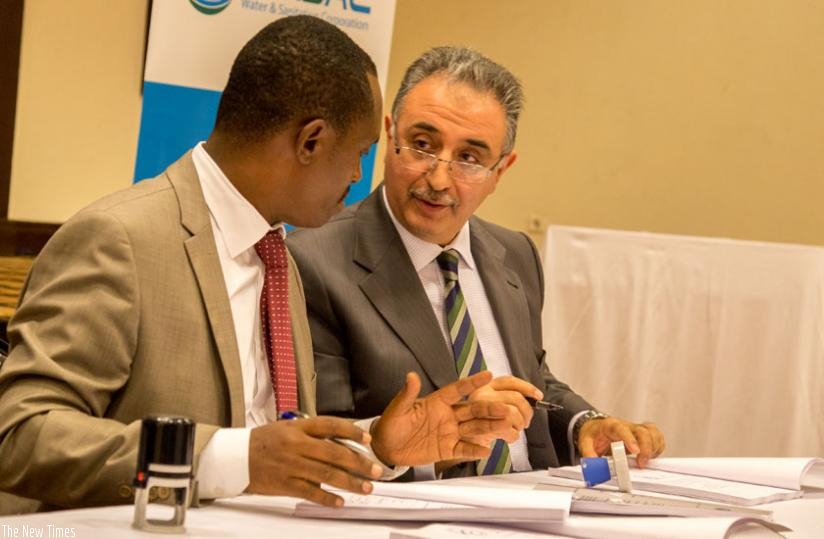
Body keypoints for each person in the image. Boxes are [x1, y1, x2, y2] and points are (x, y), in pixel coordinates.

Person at [0, 19, 519, 513]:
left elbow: (279, 447)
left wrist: (379, 445)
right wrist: (231, 458)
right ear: (311, 142)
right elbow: (20, 435)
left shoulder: (277, 254)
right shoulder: (121, 239)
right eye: (360, 152)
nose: (360, 176)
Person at [287, 46, 666, 479]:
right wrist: (429, 442)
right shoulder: (313, 260)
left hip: (538, 507)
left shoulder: (515, 253)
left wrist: (586, 425)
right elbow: (321, 438)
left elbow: (532, 380)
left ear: (500, 171)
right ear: (390, 138)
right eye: (423, 145)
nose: (438, 179)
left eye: (469, 158)